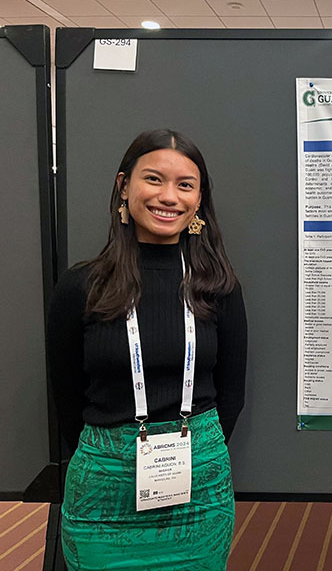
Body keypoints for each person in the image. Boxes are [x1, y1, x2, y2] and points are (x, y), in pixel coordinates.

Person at [46, 129, 247, 571]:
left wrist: (198, 451)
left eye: (185, 185)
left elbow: (232, 393)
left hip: (199, 492)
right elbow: (65, 397)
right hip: (103, 493)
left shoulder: (217, 287)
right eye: (154, 179)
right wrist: (111, 451)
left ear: (199, 200)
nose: (168, 196)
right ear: (124, 186)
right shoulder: (81, 287)